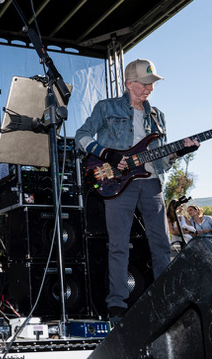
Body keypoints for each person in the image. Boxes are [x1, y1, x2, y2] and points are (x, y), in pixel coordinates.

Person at [76, 58, 199, 325]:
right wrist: (106, 154)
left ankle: (167, 301)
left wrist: (180, 150)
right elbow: (82, 135)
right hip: (117, 182)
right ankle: (117, 307)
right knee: (119, 245)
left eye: (152, 84)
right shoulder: (106, 108)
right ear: (129, 83)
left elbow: (162, 157)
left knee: (161, 245)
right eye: (145, 84)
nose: (149, 89)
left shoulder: (158, 116)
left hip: (152, 182)